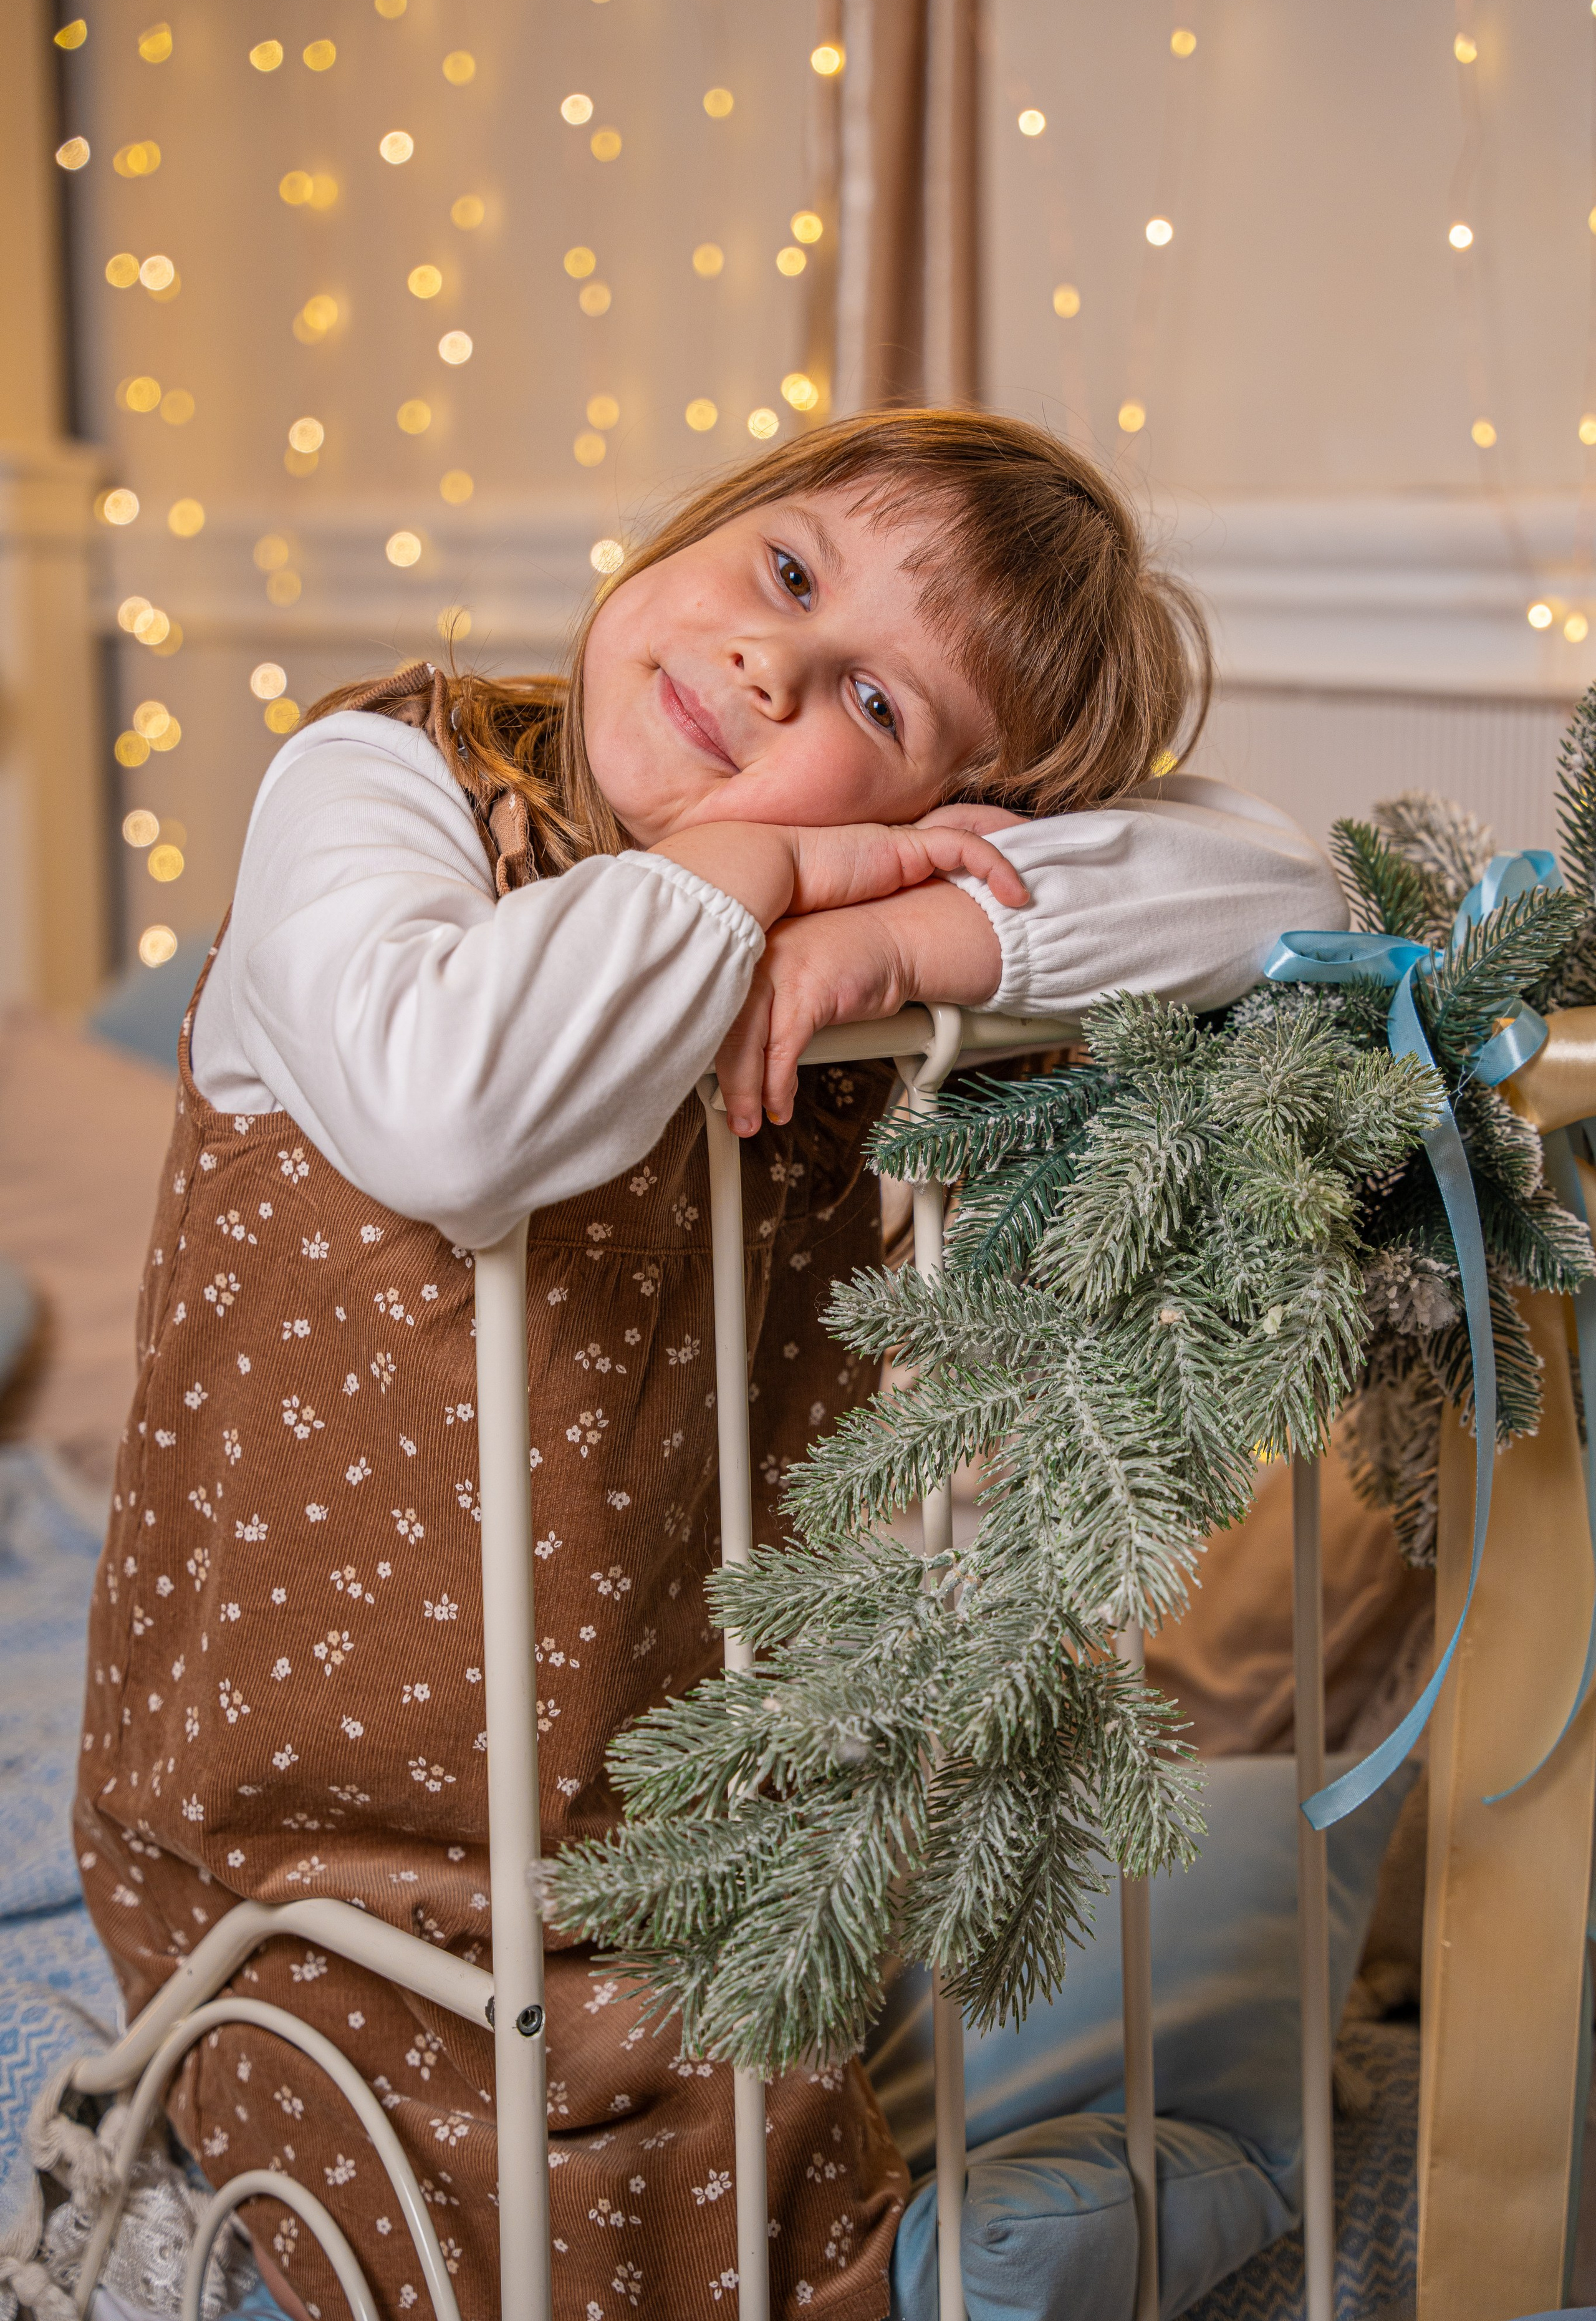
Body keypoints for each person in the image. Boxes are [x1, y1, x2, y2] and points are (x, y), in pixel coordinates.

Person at [73, 410, 1344, 2321]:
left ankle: (980, 2243)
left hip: (683, 1823)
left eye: (881, 705)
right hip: (290, 1837)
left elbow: (1288, 893)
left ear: (962, 805)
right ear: (704, 526)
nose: (774, 662)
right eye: (788, 571)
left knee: (772, 2149)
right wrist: (767, 860)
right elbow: (449, 1111)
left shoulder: (844, 966)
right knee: (473, 2234)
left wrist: (910, 933)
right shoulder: (379, 782)